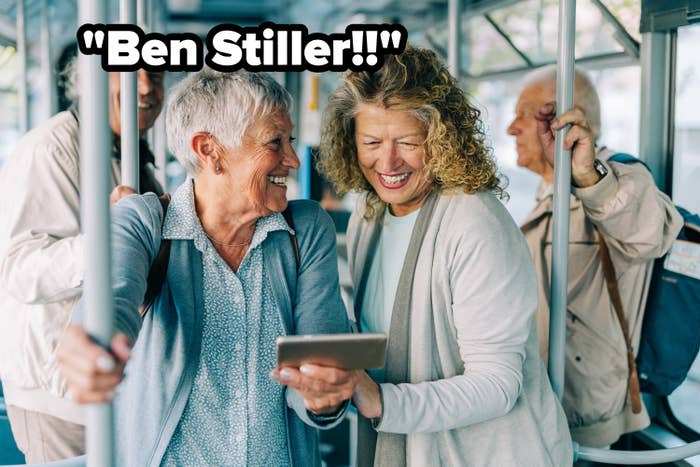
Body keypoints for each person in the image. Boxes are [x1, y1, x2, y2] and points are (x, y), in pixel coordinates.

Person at [57, 68, 357, 466]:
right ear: (209, 150)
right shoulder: (143, 223)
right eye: (274, 142)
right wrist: (94, 346)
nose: (292, 160)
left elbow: (319, 363)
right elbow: (111, 301)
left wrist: (323, 397)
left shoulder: (304, 229)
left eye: (290, 141)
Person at [316, 46, 573, 466]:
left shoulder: (475, 222)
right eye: (371, 142)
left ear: (441, 139)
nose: (388, 161)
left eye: (407, 142)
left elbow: (496, 384)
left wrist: (378, 399)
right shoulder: (370, 214)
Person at [507, 65, 683, 447]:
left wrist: (588, 177)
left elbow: (647, 232)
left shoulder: (616, 177)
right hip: (543, 399)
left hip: (582, 411)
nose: (511, 128)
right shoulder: (548, 189)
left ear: (558, 118)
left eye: (523, 114)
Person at [0, 62, 164, 462]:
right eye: (126, 73)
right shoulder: (50, 148)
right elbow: (19, 270)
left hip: (112, 385)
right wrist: (115, 240)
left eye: (155, 75)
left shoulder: (131, 154)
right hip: (58, 393)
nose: (144, 87)